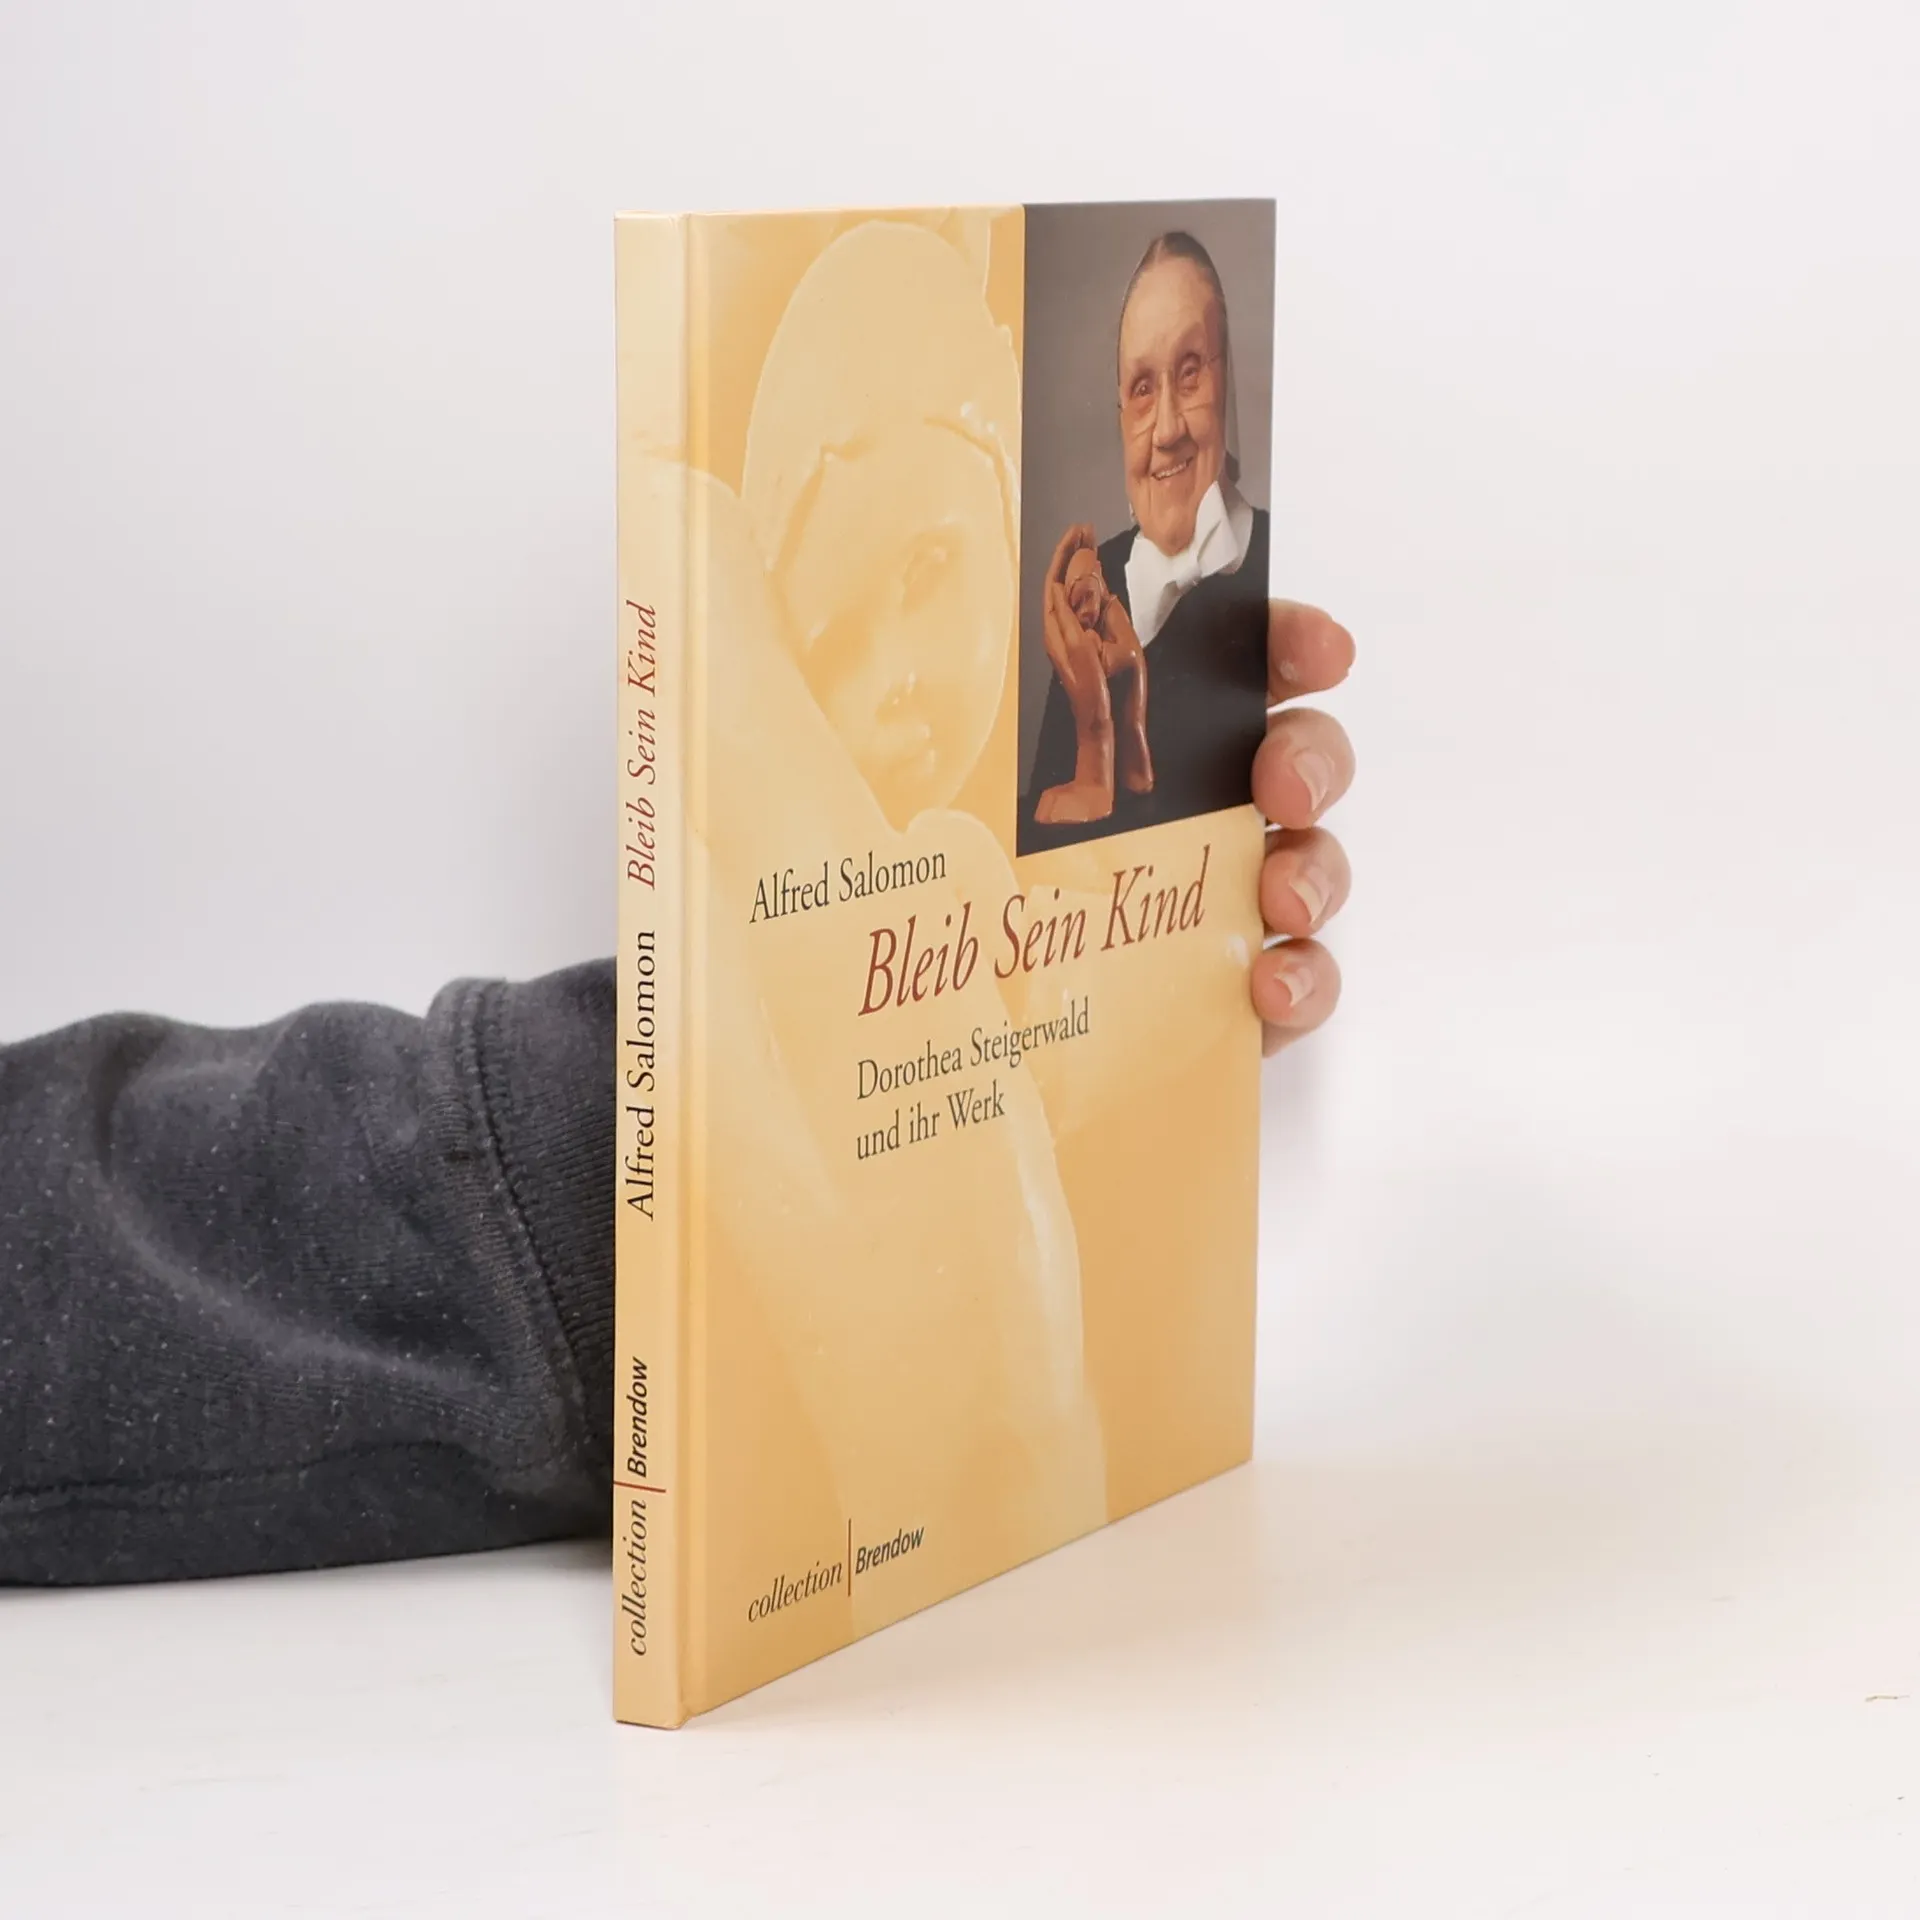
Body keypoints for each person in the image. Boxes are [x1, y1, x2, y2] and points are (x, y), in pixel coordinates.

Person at [1025, 230, 1272, 845]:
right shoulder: (1094, 588)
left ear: (1228, 388)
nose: (1164, 431)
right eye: (1140, 389)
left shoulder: (1279, 562)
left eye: (1190, 374)